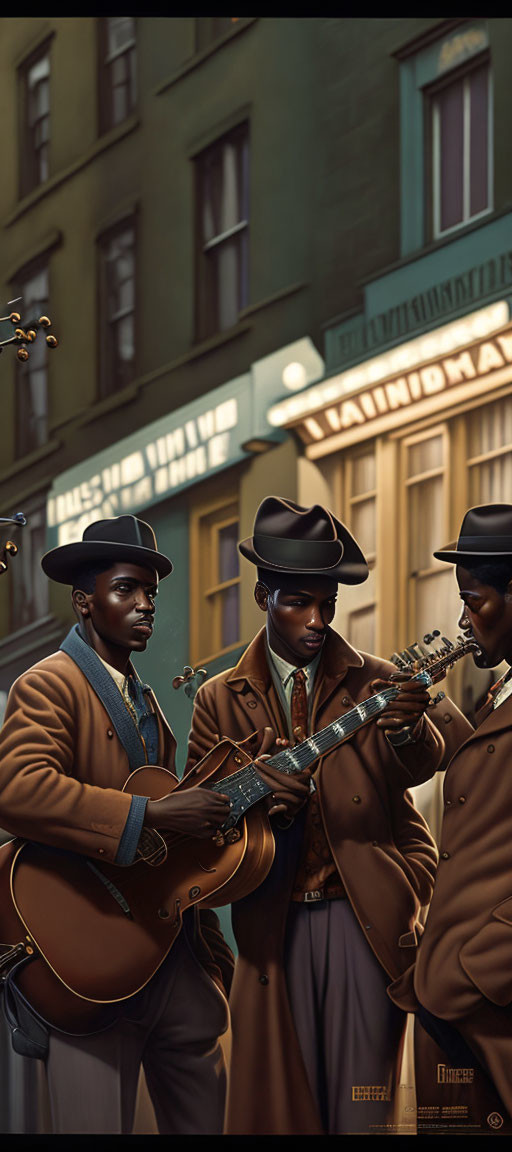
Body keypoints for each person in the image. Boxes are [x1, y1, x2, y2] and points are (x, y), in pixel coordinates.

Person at [185, 495, 447, 1136]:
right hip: (270, 929)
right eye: (298, 602)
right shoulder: (218, 699)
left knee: (365, 1114)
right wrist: (260, 813)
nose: (316, 620)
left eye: (327, 603)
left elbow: (437, 762)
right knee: (277, 1112)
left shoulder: (376, 678)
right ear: (262, 596)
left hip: (364, 921)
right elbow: (200, 831)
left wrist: (410, 729)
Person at [0, 514, 234, 1136]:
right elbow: (16, 789)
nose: (144, 605)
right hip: (87, 956)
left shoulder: (148, 702)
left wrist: (209, 953)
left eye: (150, 593)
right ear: (84, 603)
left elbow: (175, 849)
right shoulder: (49, 684)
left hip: (167, 959)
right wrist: (152, 812)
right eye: (126, 590)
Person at [395, 502, 512, 1127]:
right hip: (457, 1002)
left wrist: (478, 967)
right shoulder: (501, 686)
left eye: (475, 601)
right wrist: (427, 705)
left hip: (488, 998)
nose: (464, 620)